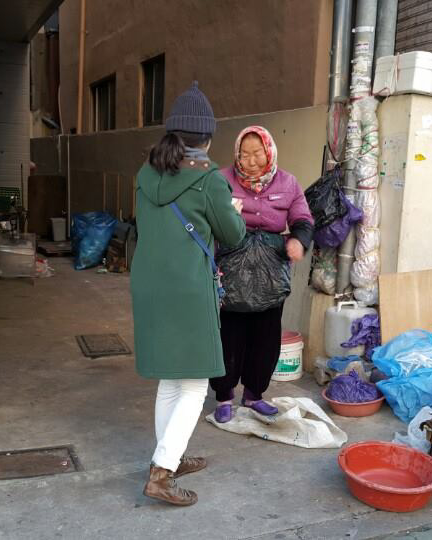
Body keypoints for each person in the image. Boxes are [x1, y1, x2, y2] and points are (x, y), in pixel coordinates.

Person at [131, 83, 246, 506]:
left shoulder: (146, 173)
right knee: (196, 383)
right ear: (207, 139)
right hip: (187, 289)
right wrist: (234, 211)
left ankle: (169, 455)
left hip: (149, 284)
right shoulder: (210, 180)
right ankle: (162, 473)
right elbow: (233, 234)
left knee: (171, 377)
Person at [210, 126, 314, 423]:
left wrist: (299, 240)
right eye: (244, 155)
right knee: (228, 336)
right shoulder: (221, 180)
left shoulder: (288, 183)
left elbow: (303, 219)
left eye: (257, 153)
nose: (251, 161)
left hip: (271, 272)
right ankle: (224, 397)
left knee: (265, 338)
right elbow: (206, 217)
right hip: (230, 271)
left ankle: (254, 395)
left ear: (269, 152)